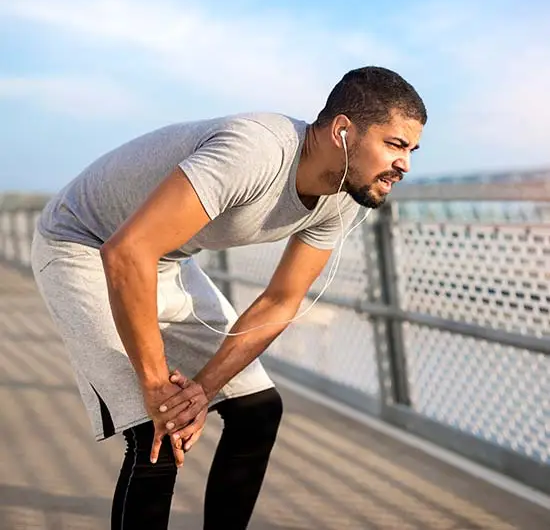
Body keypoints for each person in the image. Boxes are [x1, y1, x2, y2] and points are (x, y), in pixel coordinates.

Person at [30, 66, 426, 529]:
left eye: (412, 150)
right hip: (84, 244)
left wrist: (204, 389)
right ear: (342, 130)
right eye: (396, 145)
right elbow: (126, 252)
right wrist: (158, 386)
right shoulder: (255, 151)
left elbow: (281, 300)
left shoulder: (342, 193)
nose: (406, 165)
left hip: (162, 257)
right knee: (157, 430)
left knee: (257, 410)